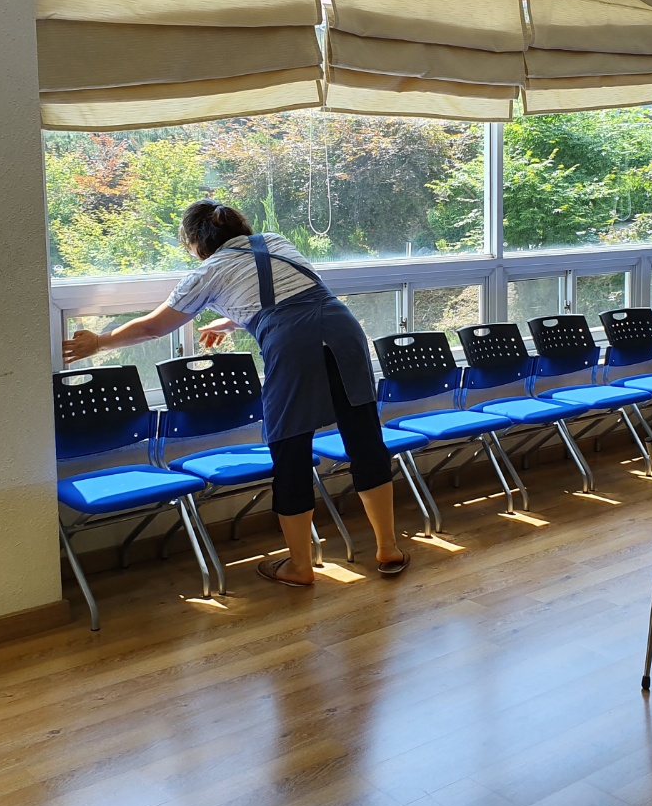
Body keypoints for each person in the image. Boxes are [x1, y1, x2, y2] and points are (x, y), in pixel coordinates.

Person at [62, 200, 407, 587]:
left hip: (292, 344)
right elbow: (292, 295)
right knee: (365, 440)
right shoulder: (275, 241)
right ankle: (388, 548)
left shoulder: (208, 271)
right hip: (343, 328)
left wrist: (100, 341)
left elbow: (153, 328)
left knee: (290, 448)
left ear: (196, 243)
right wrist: (232, 321)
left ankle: (299, 567)